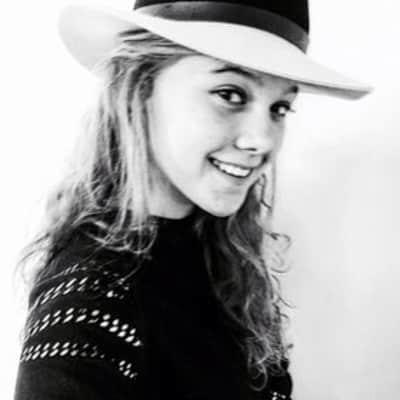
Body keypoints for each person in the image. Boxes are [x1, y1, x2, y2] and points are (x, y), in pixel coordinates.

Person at [13, 1, 372, 399]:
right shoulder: (93, 299)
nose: (262, 140)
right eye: (230, 94)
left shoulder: (227, 264)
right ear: (140, 88)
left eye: (280, 108)